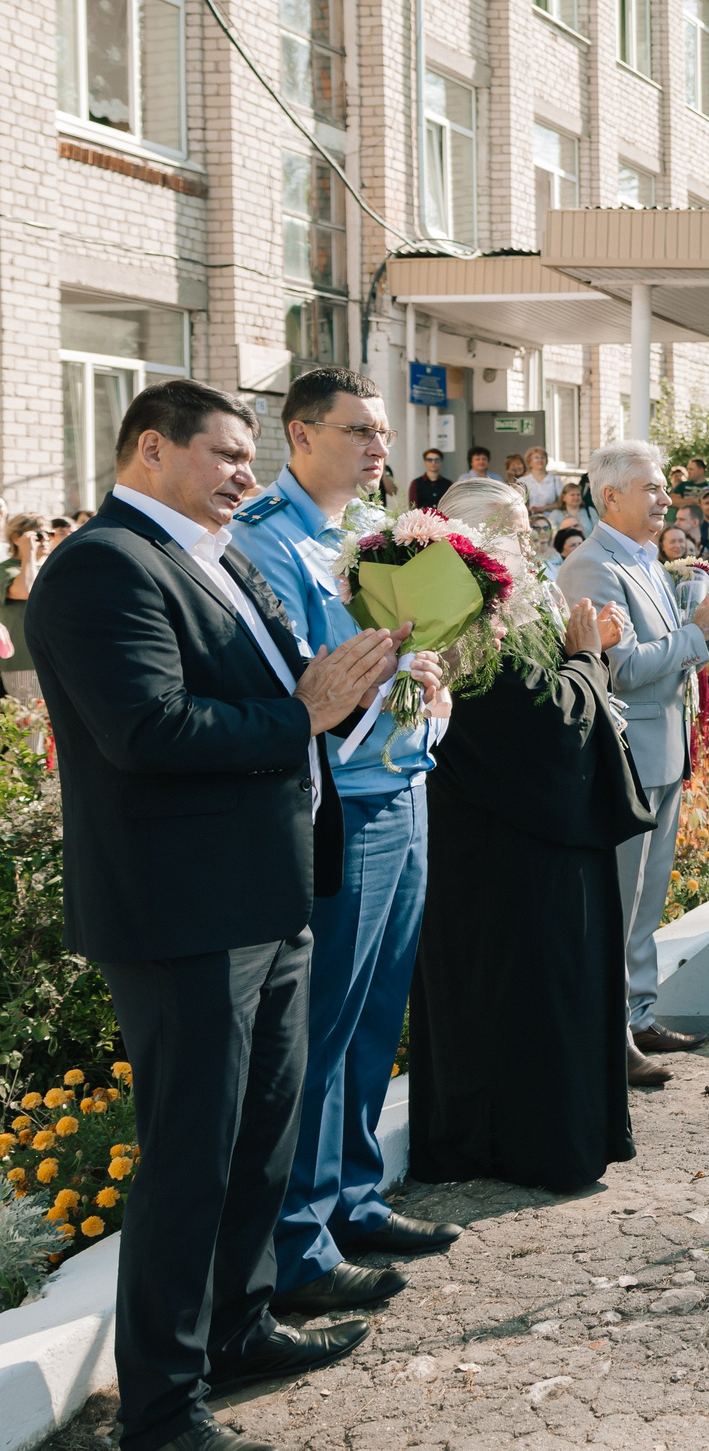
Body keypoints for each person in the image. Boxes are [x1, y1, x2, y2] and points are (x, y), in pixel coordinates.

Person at [30, 378, 403, 1451]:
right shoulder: (100, 567)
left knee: (259, 1140)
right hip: (180, 911)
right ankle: (162, 1406)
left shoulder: (221, 553)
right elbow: (147, 729)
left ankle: (240, 1326)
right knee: (190, 1159)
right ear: (150, 449)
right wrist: (301, 711)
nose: (248, 475)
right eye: (228, 455)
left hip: (270, 894)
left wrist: (366, 679)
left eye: (250, 457)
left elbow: (295, 694)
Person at [232, 367, 462, 1320]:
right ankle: (300, 1237)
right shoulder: (267, 542)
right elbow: (299, 678)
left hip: (405, 783)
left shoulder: (366, 539)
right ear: (298, 436)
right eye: (358, 430)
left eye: (381, 432)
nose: (378, 447)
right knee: (321, 1029)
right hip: (342, 802)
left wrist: (434, 672)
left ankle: (357, 1196)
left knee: (376, 1016)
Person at [408, 479, 652, 1188]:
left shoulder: (504, 608)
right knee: (519, 996)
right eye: (514, 529)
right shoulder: (461, 619)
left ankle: (514, 1142)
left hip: (522, 838)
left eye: (531, 526)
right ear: (468, 540)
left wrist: (581, 653)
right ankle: (527, 1148)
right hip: (505, 849)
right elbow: (545, 730)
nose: (531, 543)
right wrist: (586, 656)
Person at [555, 441, 709, 1087]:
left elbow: (672, 654)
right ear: (609, 496)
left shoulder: (645, 558)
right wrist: (699, 630)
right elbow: (623, 668)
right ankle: (612, 1034)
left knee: (649, 900)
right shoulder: (593, 567)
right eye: (650, 488)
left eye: (664, 488)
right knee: (622, 900)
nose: (665, 499)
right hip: (628, 754)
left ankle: (641, 1014)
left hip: (666, 747)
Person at [0, 510, 49, 702]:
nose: (44, 539)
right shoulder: (6, 569)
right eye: (37, 535)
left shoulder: (47, 569)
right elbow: (27, 590)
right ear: (16, 538)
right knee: (30, 730)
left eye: (49, 534)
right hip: (24, 664)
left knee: (51, 731)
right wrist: (28, 552)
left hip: (52, 662)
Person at [517, 445, 563, 516]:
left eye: (542, 458)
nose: (540, 460)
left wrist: (544, 508)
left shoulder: (555, 480)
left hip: (551, 518)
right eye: (536, 458)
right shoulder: (522, 481)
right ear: (529, 462)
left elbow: (562, 502)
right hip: (528, 518)